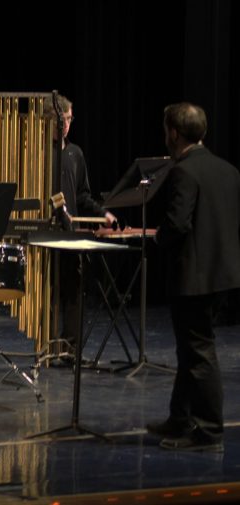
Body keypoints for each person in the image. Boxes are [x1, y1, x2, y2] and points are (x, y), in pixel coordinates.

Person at [146, 103, 240, 452]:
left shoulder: (183, 172)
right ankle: (180, 417)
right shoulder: (228, 170)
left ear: (173, 133)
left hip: (194, 277)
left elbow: (177, 225)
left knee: (199, 352)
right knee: (191, 348)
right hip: (222, 274)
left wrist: (156, 238)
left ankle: (210, 431)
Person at [46, 95, 116, 362]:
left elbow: (83, 195)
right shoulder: (38, 152)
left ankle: (70, 350)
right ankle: (47, 345)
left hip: (69, 232)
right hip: (46, 231)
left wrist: (103, 213)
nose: (65, 124)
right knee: (48, 291)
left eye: (68, 119)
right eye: (60, 119)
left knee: (74, 289)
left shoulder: (75, 153)